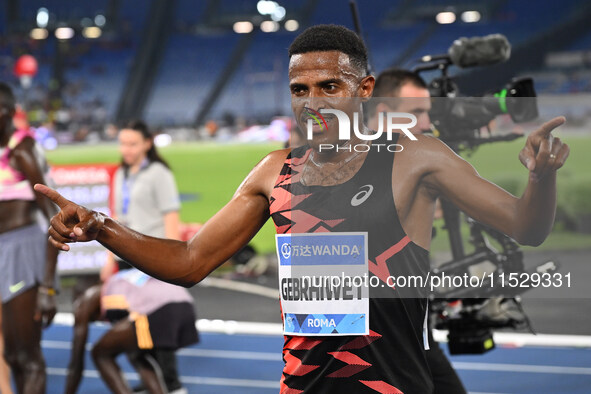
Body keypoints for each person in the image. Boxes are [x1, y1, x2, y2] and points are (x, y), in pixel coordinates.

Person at [36, 25, 569, 393]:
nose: (312, 101)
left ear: (363, 90)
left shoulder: (414, 158)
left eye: (328, 86)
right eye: (299, 89)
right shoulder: (274, 172)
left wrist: (540, 179)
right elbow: (190, 262)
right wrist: (101, 226)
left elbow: (528, 226)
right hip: (304, 385)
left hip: (392, 384)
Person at [65, 120, 196, 394]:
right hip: (127, 256)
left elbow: (171, 220)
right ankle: (154, 379)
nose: (126, 149)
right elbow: (116, 221)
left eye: (132, 143)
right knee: (134, 324)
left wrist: (172, 263)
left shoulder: (159, 173)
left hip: (154, 255)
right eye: (123, 143)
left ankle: (171, 385)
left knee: (157, 318)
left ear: (147, 144)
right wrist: (109, 260)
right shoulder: (122, 175)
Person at [368, 68, 467, 394]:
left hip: (414, 330)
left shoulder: (416, 162)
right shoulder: (340, 164)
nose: (426, 123)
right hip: (372, 342)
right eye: (416, 113)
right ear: (383, 113)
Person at [0, 82, 59, 393]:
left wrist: (47, 287)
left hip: (25, 252)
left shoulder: (22, 151)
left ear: (7, 113)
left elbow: (56, 219)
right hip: (3, 254)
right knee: (12, 354)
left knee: (28, 357)